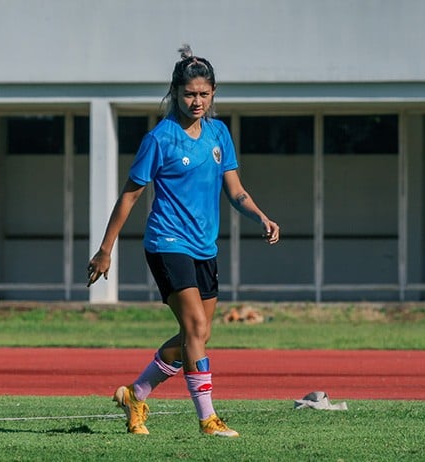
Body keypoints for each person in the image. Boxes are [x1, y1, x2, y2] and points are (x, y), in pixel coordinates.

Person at [87, 44, 280, 437]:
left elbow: (235, 190)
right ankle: (208, 419)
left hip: (204, 246)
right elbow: (130, 195)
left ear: (213, 94)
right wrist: (105, 249)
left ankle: (136, 393)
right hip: (166, 243)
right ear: (175, 92)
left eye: (204, 94)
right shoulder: (160, 139)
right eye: (190, 94)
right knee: (194, 328)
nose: (197, 101)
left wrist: (259, 215)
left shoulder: (218, 133)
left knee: (198, 336)